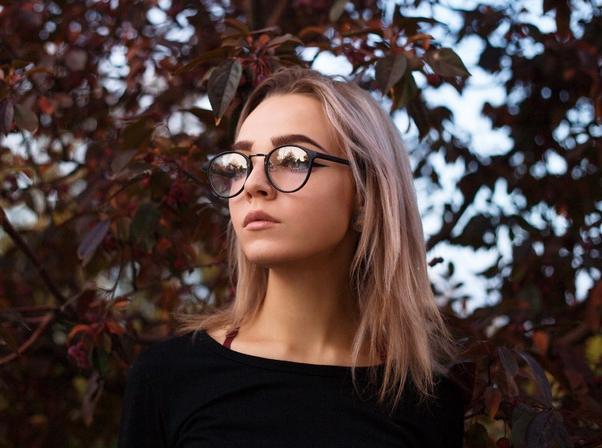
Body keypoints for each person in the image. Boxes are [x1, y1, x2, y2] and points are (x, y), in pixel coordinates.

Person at [118, 66, 466, 447]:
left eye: (292, 160)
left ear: (365, 193)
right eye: (239, 164)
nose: (252, 184)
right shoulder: (170, 377)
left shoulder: (427, 400)